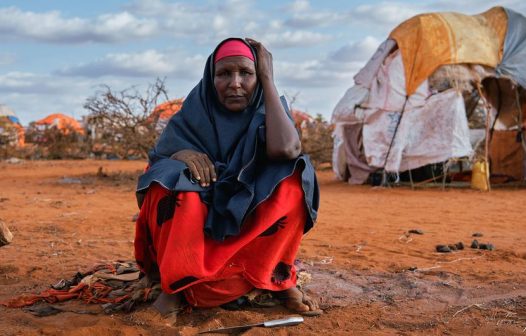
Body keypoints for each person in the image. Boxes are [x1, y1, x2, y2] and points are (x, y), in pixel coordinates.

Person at [134, 37, 320, 319]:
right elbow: (159, 160)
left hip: (249, 212)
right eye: (224, 74)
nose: (235, 83)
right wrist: (181, 155)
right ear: (211, 78)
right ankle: (177, 286)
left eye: (246, 73)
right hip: (199, 217)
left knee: (294, 176)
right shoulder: (195, 112)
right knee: (171, 181)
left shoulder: (268, 110)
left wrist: (268, 79)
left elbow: (286, 150)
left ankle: (274, 277)